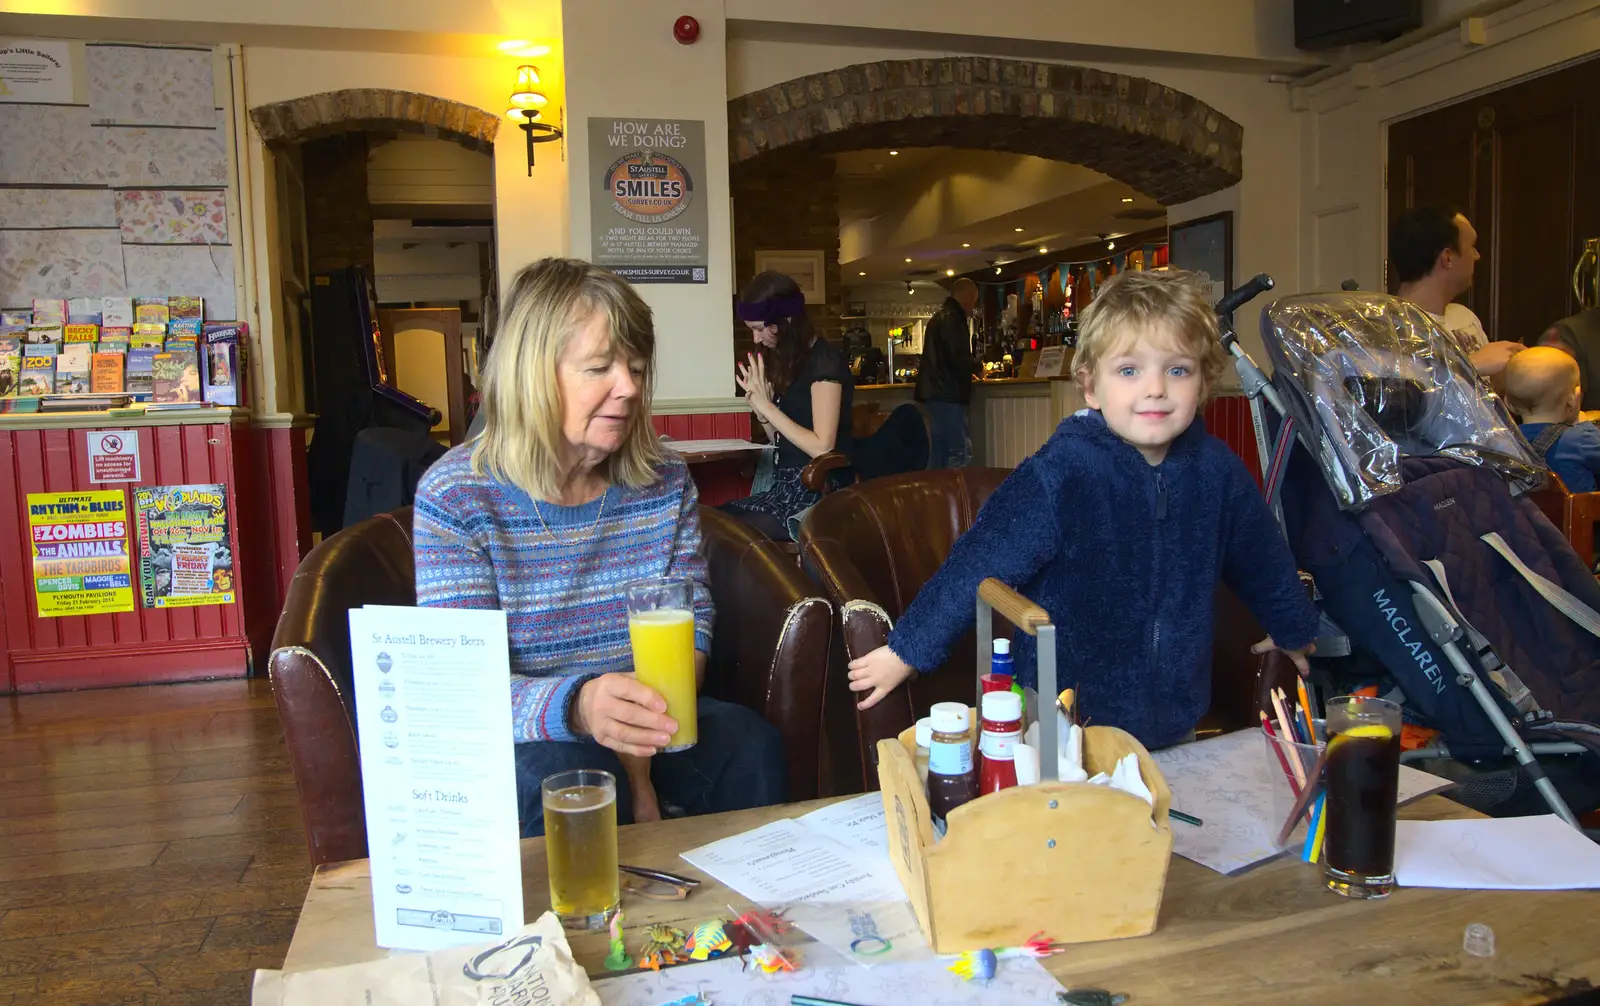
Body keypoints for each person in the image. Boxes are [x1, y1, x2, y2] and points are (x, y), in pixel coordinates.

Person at [844, 270, 1321, 752]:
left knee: (1161, 822)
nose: (1156, 388)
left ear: (1203, 382)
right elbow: (977, 562)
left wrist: (1294, 630)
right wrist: (907, 650)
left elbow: (1261, 556)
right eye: (1129, 370)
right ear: (1091, 386)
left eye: (1177, 370)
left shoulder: (1217, 470)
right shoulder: (1062, 472)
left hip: (1177, 716)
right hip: (1065, 721)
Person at [413, 257, 786, 837]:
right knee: (570, 775)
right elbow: (461, 687)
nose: (630, 387)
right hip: (538, 734)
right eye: (599, 368)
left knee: (748, 744)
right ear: (532, 374)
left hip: (651, 713)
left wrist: (640, 744)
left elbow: (694, 616)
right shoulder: (456, 496)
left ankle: (741, 921)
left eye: (636, 367)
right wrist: (581, 708)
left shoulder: (662, 480)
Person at [720, 271, 852, 540]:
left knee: (721, 531)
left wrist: (768, 408)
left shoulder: (825, 361)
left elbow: (822, 446)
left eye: (759, 328)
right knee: (708, 519)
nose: (756, 339)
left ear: (786, 320)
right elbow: (783, 443)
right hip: (783, 489)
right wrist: (763, 412)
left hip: (814, 494)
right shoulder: (789, 362)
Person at [1390, 204, 1523, 375]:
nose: (1477, 256)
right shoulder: (1387, 331)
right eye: (1472, 246)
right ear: (1448, 258)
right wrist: (1470, 364)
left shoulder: (1465, 318)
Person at [1504, 346, 1600, 492]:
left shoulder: (1502, 440)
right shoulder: (1583, 439)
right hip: (1577, 514)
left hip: (1525, 514)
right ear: (1573, 399)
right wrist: (1585, 423)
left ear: (1509, 404)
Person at [917, 277, 981, 467]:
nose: (973, 307)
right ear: (968, 296)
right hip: (949, 393)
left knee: (939, 453)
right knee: (959, 452)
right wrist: (977, 367)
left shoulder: (940, 317)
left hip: (935, 393)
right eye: (975, 301)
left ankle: (931, 495)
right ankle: (955, 496)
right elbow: (957, 356)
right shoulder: (953, 319)